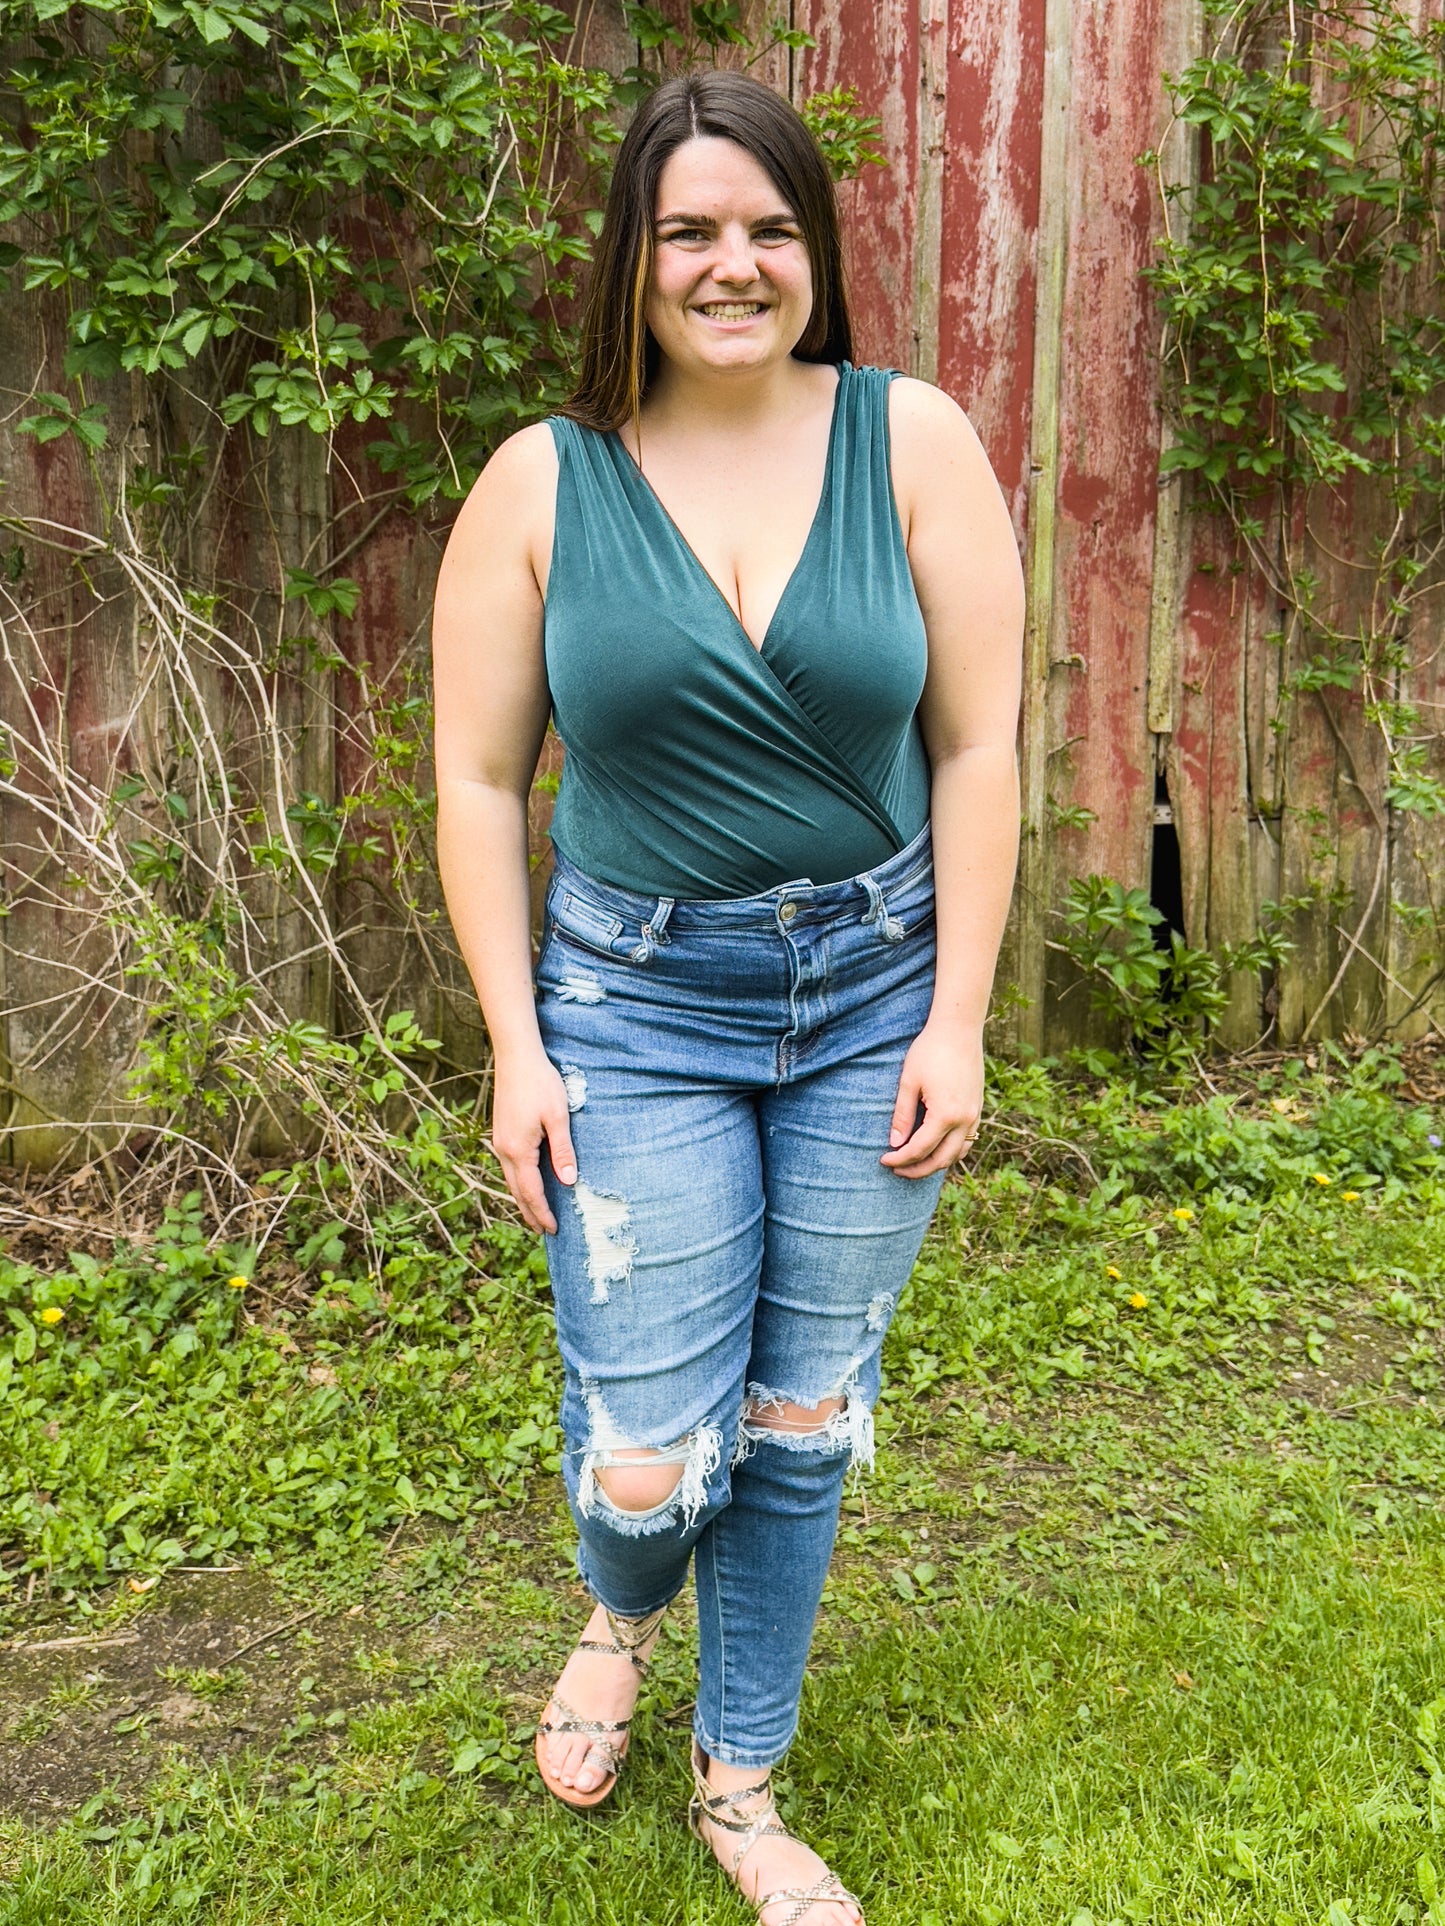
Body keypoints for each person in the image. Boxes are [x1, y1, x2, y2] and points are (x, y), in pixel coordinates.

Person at [431, 66, 1023, 1926]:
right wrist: (516, 1048)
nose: (731, 263)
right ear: (634, 256)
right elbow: (472, 780)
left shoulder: (909, 439)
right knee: (641, 1450)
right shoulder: (544, 478)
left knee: (798, 1417)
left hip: (872, 990)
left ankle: (742, 1782)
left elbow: (983, 747)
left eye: (766, 227)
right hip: (630, 1001)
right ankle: (616, 1608)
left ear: (814, 253)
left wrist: (959, 1016)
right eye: (690, 229)